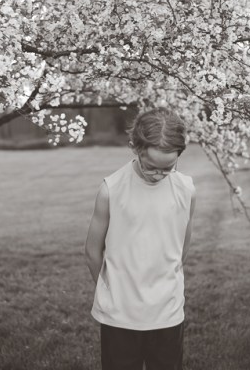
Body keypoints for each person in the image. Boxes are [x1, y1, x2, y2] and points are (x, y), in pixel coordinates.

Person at [84, 107, 197, 370]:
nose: (158, 175)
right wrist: (112, 290)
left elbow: (182, 246)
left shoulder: (186, 189)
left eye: (167, 168)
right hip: (120, 316)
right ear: (136, 149)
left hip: (167, 313)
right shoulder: (111, 189)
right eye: (151, 167)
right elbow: (92, 252)